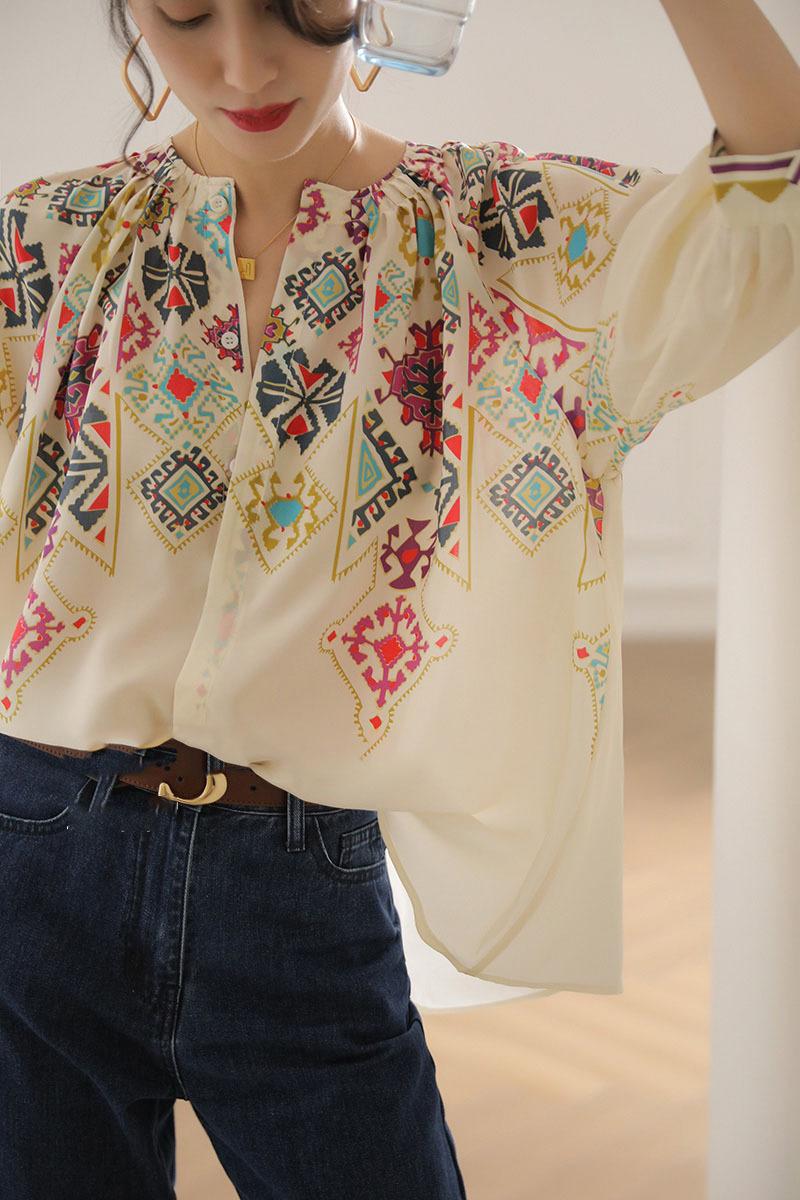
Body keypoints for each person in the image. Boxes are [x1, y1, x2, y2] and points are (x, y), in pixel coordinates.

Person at [1, 2, 798, 1197]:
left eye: (295, 5)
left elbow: (773, 195)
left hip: (294, 886)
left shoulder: (498, 234)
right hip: (31, 861)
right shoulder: (48, 239)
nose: (242, 64)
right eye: (188, 11)